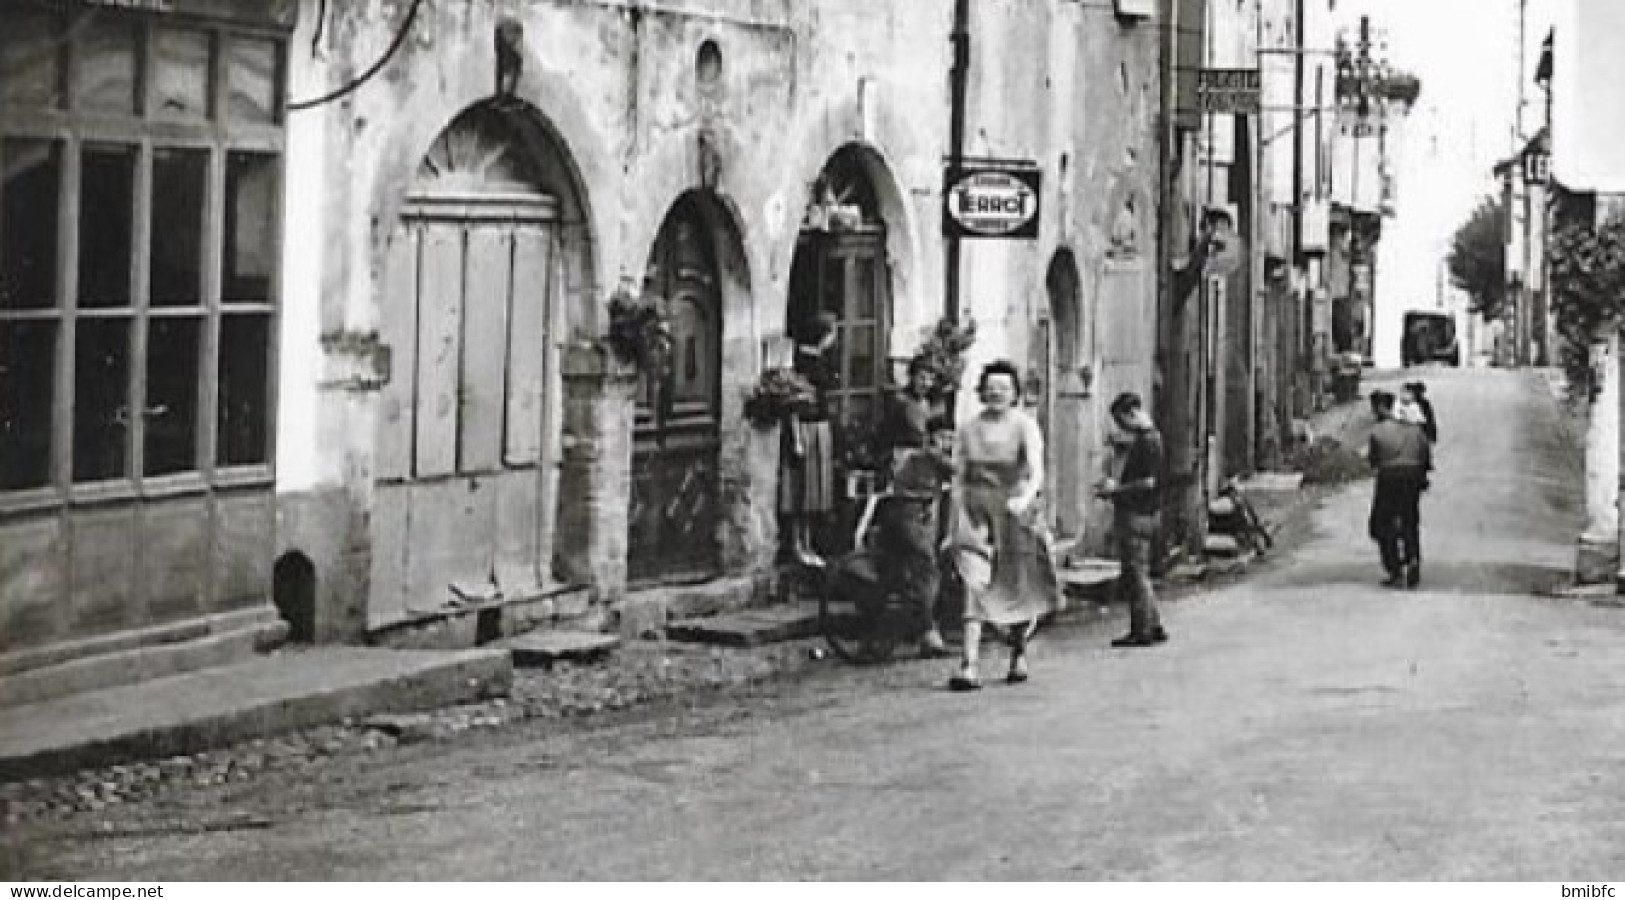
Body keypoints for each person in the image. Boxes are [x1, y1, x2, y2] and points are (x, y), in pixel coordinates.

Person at [943, 361, 1060, 690]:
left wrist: (1024, 501)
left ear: (1015, 394)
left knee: (1015, 583)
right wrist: (955, 517)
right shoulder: (967, 429)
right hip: (976, 509)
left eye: (1004, 388)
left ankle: (1018, 654)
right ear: (981, 391)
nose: (996, 392)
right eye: (990, 386)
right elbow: (958, 474)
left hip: (1013, 509)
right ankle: (969, 665)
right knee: (973, 583)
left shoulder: (1025, 427)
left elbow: (1036, 471)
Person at [876, 415, 955, 658]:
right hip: (910, 516)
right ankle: (929, 634)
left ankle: (895, 633)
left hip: (899, 515)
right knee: (928, 572)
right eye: (943, 437)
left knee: (905, 574)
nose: (947, 442)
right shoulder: (930, 455)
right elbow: (960, 470)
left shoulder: (914, 457)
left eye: (951, 438)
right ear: (931, 438)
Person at [1098, 391, 1168, 648]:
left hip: (1137, 514)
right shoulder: (1151, 438)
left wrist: (1116, 489)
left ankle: (1142, 629)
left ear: (1133, 413)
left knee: (1135, 574)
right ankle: (1154, 623)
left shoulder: (1149, 441)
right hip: (1147, 513)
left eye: (1121, 421)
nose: (1121, 428)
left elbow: (1149, 482)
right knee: (1141, 572)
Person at [780, 311, 839, 567]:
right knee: (801, 490)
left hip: (820, 429)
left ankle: (808, 543)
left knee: (813, 492)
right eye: (832, 332)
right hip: (806, 429)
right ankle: (797, 544)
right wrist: (796, 438)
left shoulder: (820, 360)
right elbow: (794, 402)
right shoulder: (804, 363)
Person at [1367, 390, 1432, 588]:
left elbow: (1374, 461)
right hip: (1413, 477)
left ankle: (1394, 569)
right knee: (1410, 520)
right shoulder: (1417, 431)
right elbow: (1426, 458)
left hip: (1389, 478)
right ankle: (1413, 558)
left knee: (1381, 524)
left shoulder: (1378, 432)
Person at [881, 357, 939, 471]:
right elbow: (887, 435)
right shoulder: (899, 400)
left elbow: (926, 432)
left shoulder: (926, 402)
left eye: (931, 379)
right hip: (902, 458)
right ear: (912, 377)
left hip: (922, 458)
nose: (926, 383)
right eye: (922, 378)